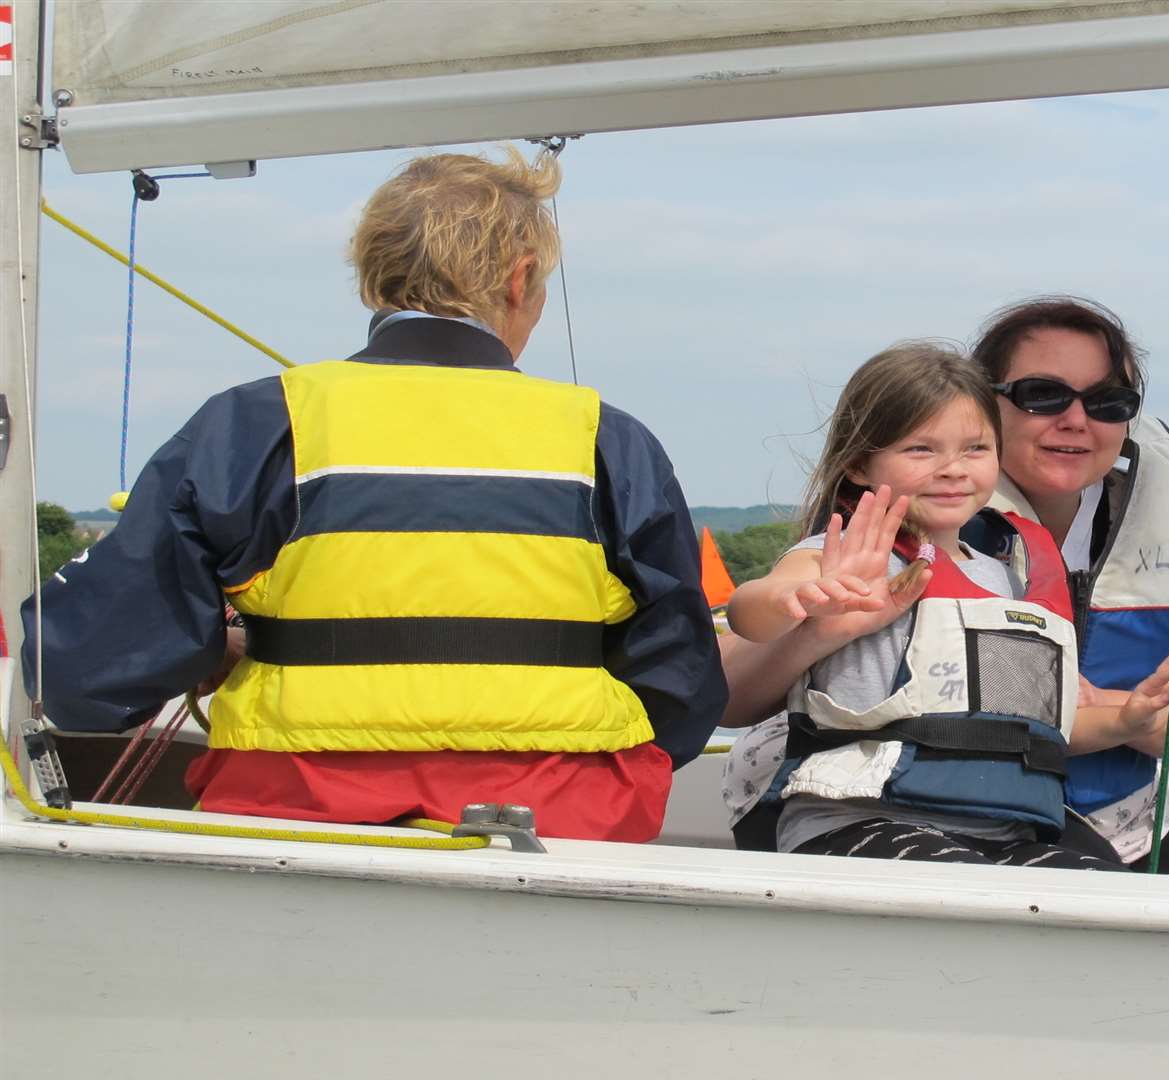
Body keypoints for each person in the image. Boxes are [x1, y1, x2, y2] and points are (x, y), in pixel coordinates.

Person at [22, 149, 726, 842]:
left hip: (297, 822)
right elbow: (681, 687)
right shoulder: (608, 440)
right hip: (558, 824)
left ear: (373, 280)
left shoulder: (258, 424)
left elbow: (84, 669)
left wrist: (215, 651)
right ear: (520, 281)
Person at [725, 298, 1169, 878]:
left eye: (1107, 402)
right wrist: (810, 621)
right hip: (869, 803)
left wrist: (1120, 712)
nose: (1075, 419)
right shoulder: (887, 531)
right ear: (986, 402)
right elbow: (735, 665)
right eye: (1043, 395)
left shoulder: (1146, 535)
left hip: (1066, 815)